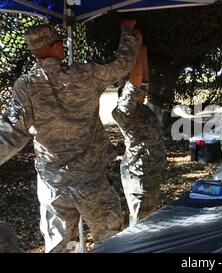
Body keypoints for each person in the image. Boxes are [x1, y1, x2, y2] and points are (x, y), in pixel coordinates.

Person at [0, 20, 140, 252]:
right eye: (59, 42)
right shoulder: (85, 74)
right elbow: (122, 65)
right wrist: (127, 33)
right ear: (54, 46)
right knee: (112, 242)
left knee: (58, 247)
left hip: (53, 184)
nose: (62, 46)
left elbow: (12, 132)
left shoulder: (26, 85)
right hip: (90, 181)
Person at [112, 45, 167, 227]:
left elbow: (143, 80)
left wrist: (142, 48)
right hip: (138, 176)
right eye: (139, 90)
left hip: (150, 172)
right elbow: (135, 81)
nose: (144, 91)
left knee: (151, 220)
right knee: (140, 224)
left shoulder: (141, 108)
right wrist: (133, 46)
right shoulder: (124, 111)